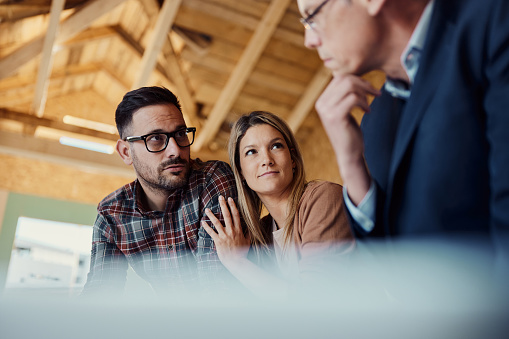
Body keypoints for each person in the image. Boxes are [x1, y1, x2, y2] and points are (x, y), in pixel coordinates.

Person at [297, 0, 509, 273]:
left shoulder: (492, 24)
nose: (308, 40)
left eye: (313, 16)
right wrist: (351, 164)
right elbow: (391, 270)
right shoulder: (374, 120)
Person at [81, 86, 239, 296]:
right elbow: (99, 295)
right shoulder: (112, 215)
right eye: (156, 138)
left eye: (181, 134)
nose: (175, 150)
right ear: (126, 152)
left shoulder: (212, 180)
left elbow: (217, 286)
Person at [202, 111, 354, 299]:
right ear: (240, 172)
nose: (266, 160)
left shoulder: (324, 198)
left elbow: (315, 302)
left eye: (275, 146)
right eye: (251, 152)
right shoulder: (261, 234)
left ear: (292, 160)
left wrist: (237, 263)